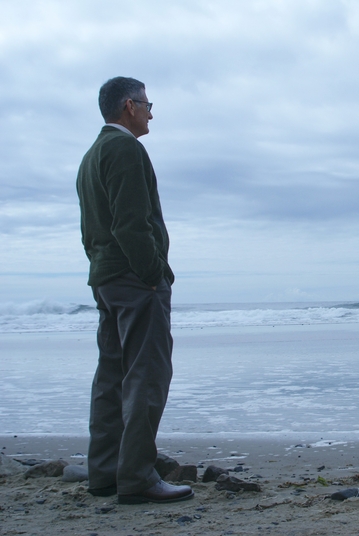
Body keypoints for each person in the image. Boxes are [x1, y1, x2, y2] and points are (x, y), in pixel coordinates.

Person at [76, 77, 193, 504]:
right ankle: (138, 478)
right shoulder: (125, 149)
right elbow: (131, 222)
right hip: (132, 278)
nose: (150, 112)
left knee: (111, 377)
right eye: (147, 103)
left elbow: (93, 227)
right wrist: (154, 273)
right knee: (147, 375)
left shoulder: (92, 154)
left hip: (106, 278)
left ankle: (105, 472)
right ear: (129, 105)